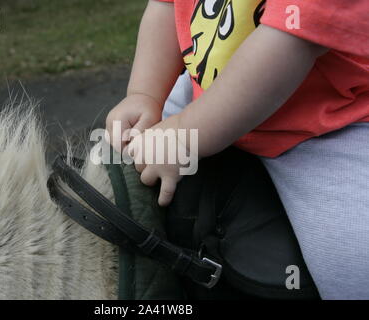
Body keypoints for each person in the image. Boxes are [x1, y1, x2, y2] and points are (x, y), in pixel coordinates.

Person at [105, 0, 369, 299]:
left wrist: (183, 136)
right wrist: (145, 93)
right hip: (205, 87)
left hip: (328, 120)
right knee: (115, 168)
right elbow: (166, 6)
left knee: (356, 259)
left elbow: (290, 41)